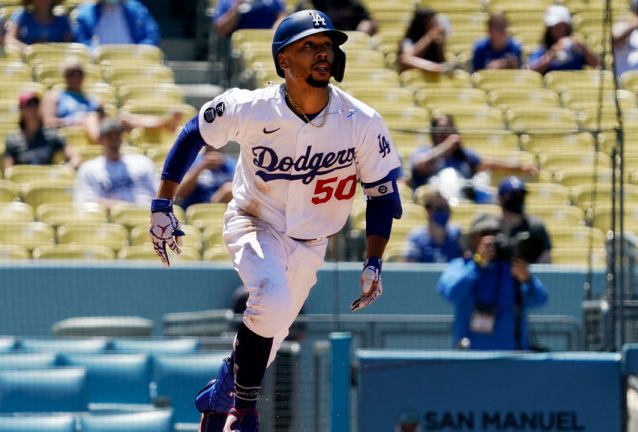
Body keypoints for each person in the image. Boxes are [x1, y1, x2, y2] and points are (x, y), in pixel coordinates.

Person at [147, 10, 401, 431]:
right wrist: (162, 203)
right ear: (284, 60)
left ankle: (222, 393)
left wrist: (374, 260)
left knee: (270, 337)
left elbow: (382, 195)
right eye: (309, 46)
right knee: (272, 298)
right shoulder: (251, 107)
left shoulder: (362, 122)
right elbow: (194, 131)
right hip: (253, 220)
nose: (323, 53)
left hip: (312, 242)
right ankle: (243, 412)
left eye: (327, 46)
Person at [437, 213, 548, 350]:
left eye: (496, 233)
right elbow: (450, 293)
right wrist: (477, 265)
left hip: (512, 357)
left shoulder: (513, 268)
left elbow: (540, 300)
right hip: (470, 356)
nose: (492, 239)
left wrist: (527, 280)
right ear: (473, 240)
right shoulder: (461, 266)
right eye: (485, 234)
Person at [41, 57, 183, 143]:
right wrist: (75, 121)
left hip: (97, 125)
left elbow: (105, 118)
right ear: (65, 76)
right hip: (76, 128)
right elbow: (48, 122)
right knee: (90, 117)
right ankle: (103, 140)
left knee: (124, 118)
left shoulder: (92, 99)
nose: (76, 77)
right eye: (71, 73)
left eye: (79, 73)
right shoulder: (54, 96)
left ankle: (164, 123)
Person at [409, 114, 538, 200]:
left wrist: (521, 168)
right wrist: (446, 146)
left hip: (465, 197)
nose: (445, 134)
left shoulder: (464, 156)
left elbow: (490, 164)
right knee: (449, 175)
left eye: (449, 130)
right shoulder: (425, 152)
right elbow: (420, 166)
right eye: (441, 131)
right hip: (438, 202)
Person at [74, 118, 157, 208]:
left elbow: (159, 193)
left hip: (144, 217)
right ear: (101, 139)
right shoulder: (89, 169)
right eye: (109, 136)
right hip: (108, 220)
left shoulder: (142, 163)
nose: (114, 139)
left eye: (117, 135)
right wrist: (119, 206)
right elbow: (85, 203)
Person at [3, 92, 80, 172]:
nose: (33, 109)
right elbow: (8, 171)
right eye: (29, 106)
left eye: (36, 105)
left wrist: (64, 170)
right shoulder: (13, 140)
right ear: (21, 110)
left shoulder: (51, 135)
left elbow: (75, 158)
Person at [496, 176, 553, 264]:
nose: (519, 199)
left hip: (528, 276)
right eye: (514, 195)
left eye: (521, 195)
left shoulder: (536, 227)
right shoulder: (491, 227)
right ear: (501, 199)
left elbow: (545, 263)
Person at [528, 5, 598, 74]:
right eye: (555, 26)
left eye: (562, 26)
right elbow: (532, 69)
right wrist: (552, 55)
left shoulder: (576, 46)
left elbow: (595, 64)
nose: (558, 30)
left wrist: (583, 47)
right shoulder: (544, 49)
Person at [405, 188, 463, 263]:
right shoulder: (416, 238)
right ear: (428, 211)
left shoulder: (456, 234)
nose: (444, 211)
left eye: (446, 208)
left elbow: (464, 265)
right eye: (439, 208)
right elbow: (410, 270)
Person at [73, 0, 160, 47]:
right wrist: (92, 51)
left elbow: (152, 35)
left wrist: (140, 52)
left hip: (132, 63)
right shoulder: (84, 13)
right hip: (99, 64)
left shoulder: (136, 9)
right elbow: (81, 42)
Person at [397, 7, 453, 74]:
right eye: (431, 21)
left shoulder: (435, 41)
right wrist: (429, 37)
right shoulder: (408, 41)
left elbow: (442, 62)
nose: (434, 24)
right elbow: (406, 59)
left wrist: (440, 46)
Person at [5, 0, 72, 52]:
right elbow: (10, 40)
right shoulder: (22, 17)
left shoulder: (63, 21)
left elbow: (69, 46)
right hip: (26, 62)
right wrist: (28, 50)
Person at [296, 0, 377, 36]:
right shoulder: (305, 5)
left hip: (349, 42)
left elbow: (369, 21)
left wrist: (367, 25)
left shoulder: (352, 3)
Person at [213, 0, 287, 37]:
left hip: (268, 40)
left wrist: (275, 31)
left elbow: (282, 16)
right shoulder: (227, 2)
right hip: (243, 47)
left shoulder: (273, 1)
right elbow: (221, 30)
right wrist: (236, 8)